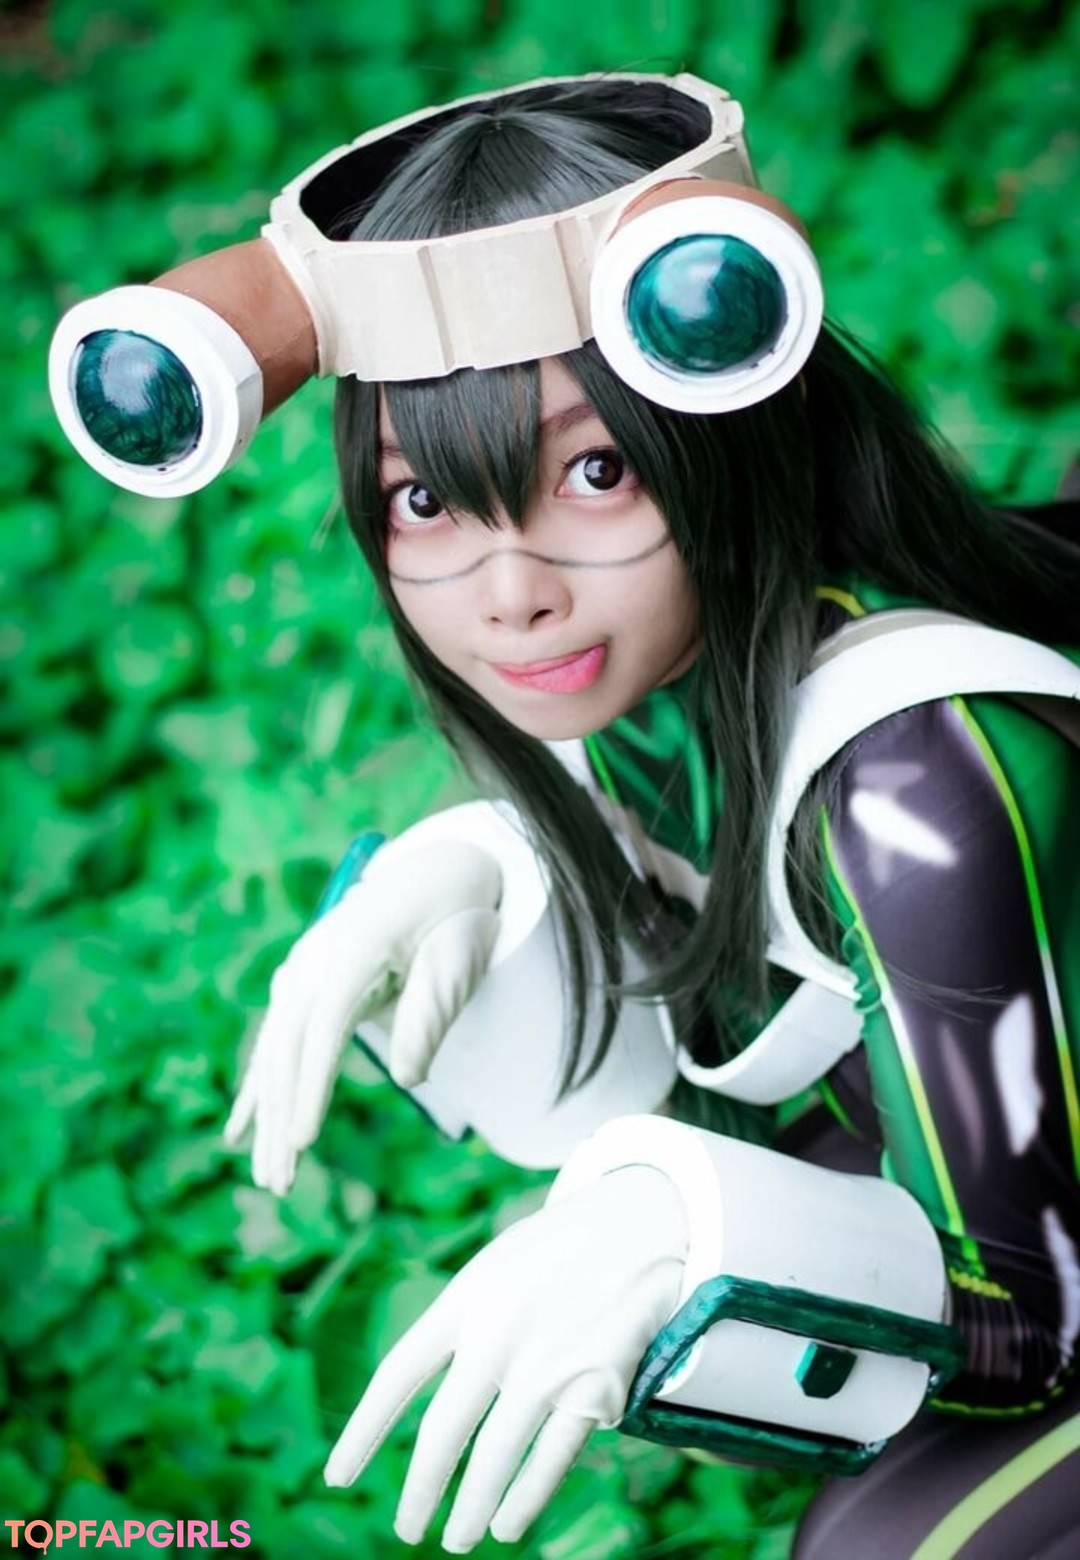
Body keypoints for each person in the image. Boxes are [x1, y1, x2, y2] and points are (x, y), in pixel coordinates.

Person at [49, 73, 1080, 1559]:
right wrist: (498, 862)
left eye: (595, 472)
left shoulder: (921, 785)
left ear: (727, 427)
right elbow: (719, 1054)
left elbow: (1034, 1324)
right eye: (425, 503)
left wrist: (690, 1231)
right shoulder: (662, 680)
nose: (509, 591)